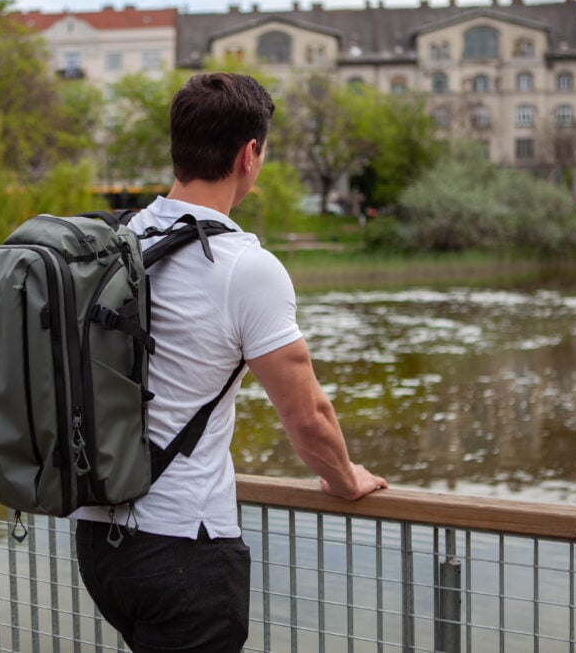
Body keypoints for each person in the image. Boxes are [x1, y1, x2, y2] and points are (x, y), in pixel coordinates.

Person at [71, 72, 387, 653]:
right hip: (184, 549)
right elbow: (307, 414)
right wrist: (346, 480)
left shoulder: (117, 240)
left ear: (179, 148)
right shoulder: (245, 266)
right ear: (249, 154)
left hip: (97, 540)